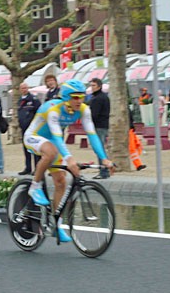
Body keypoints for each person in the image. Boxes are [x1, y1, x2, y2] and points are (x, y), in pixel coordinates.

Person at [23, 79, 115, 242]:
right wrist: (69, 159)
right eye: (75, 97)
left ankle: (55, 223)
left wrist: (104, 159)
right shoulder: (53, 110)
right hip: (34, 137)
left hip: (52, 141)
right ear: (66, 98)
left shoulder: (84, 110)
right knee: (51, 152)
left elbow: (92, 135)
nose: (79, 100)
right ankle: (34, 186)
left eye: (81, 96)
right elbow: (57, 137)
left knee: (61, 181)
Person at [89, 77, 110, 179]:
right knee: (100, 147)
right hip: (102, 125)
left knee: (99, 148)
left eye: (94, 85)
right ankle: (104, 169)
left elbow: (94, 114)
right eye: (91, 85)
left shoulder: (98, 99)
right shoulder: (102, 97)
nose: (92, 88)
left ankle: (104, 171)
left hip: (99, 125)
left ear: (99, 86)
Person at [17, 82, 40, 175]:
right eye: (22, 88)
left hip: (33, 129)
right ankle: (28, 167)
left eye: (25, 88)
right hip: (24, 128)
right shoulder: (19, 101)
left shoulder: (33, 99)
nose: (24, 90)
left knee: (34, 148)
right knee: (26, 148)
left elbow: (39, 112)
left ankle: (37, 168)